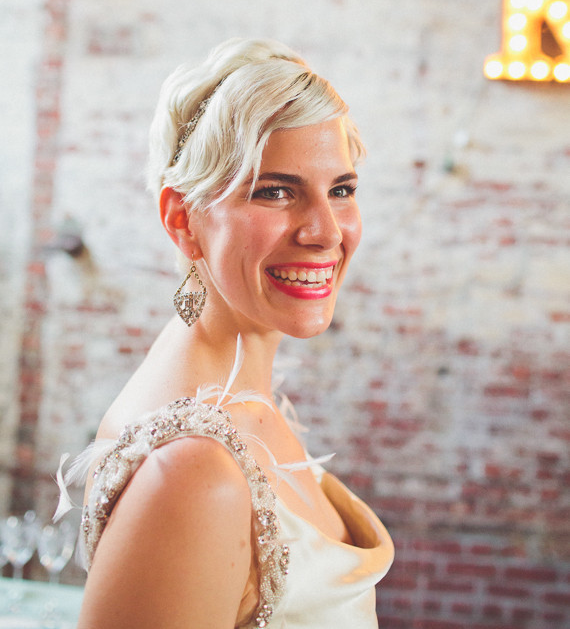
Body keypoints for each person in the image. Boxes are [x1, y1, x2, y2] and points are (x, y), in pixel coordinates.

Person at [65, 37, 394, 628]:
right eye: (275, 191)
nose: (326, 232)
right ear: (183, 220)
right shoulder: (192, 473)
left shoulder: (240, 394)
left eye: (341, 190)